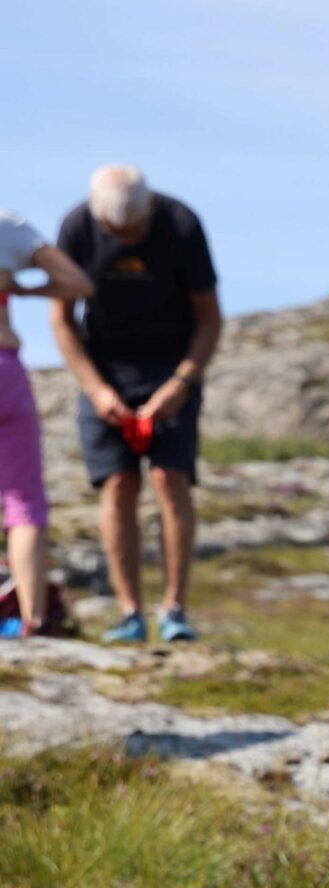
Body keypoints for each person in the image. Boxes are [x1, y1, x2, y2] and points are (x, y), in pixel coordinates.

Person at [52, 165, 220, 644]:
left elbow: (210, 319)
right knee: (118, 485)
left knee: (170, 479)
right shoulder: (77, 227)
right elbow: (62, 320)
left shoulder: (181, 224)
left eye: (135, 229)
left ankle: (175, 610)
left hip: (171, 366)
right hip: (105, 370)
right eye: (115, 231)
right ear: (98, 219)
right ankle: (129, 612)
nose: (127, 237)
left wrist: (182, 383)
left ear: (150, 208)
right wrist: (96, 389)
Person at [0, 207, 92, 637]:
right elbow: (77, 283)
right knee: (23, 500)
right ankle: (33, 619)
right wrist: (20, 289)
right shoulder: (7, 225)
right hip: (5, 369)